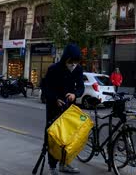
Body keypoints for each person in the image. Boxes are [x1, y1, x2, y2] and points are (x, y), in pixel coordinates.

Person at [43, 44, 85, 174]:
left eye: (76, 61)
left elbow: (81, 87)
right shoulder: (53, 69)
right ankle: (52, 166)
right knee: (54, 137)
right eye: (71, 61)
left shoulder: (78, 69)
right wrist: (55, 98)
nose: (73, 64)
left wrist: (75, 94)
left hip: (69, 108)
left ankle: (65, 163)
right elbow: (45, 88)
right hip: (54, 107)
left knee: (68, 137)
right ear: (65, 58)